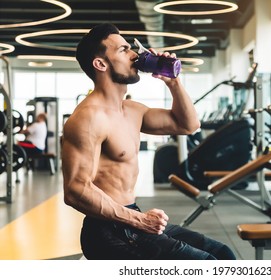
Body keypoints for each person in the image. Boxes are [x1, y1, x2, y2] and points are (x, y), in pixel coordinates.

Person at [61, 23, 236, 260]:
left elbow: (188, 125)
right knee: (207, 264)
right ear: (100, 64)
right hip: (108, 231)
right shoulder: (88, 118)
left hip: (131, 219)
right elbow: (76, 190)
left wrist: (173, 82)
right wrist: (139, 220)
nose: (135, 54)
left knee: (222, 254)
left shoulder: (132, 110)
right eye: (123, 50)